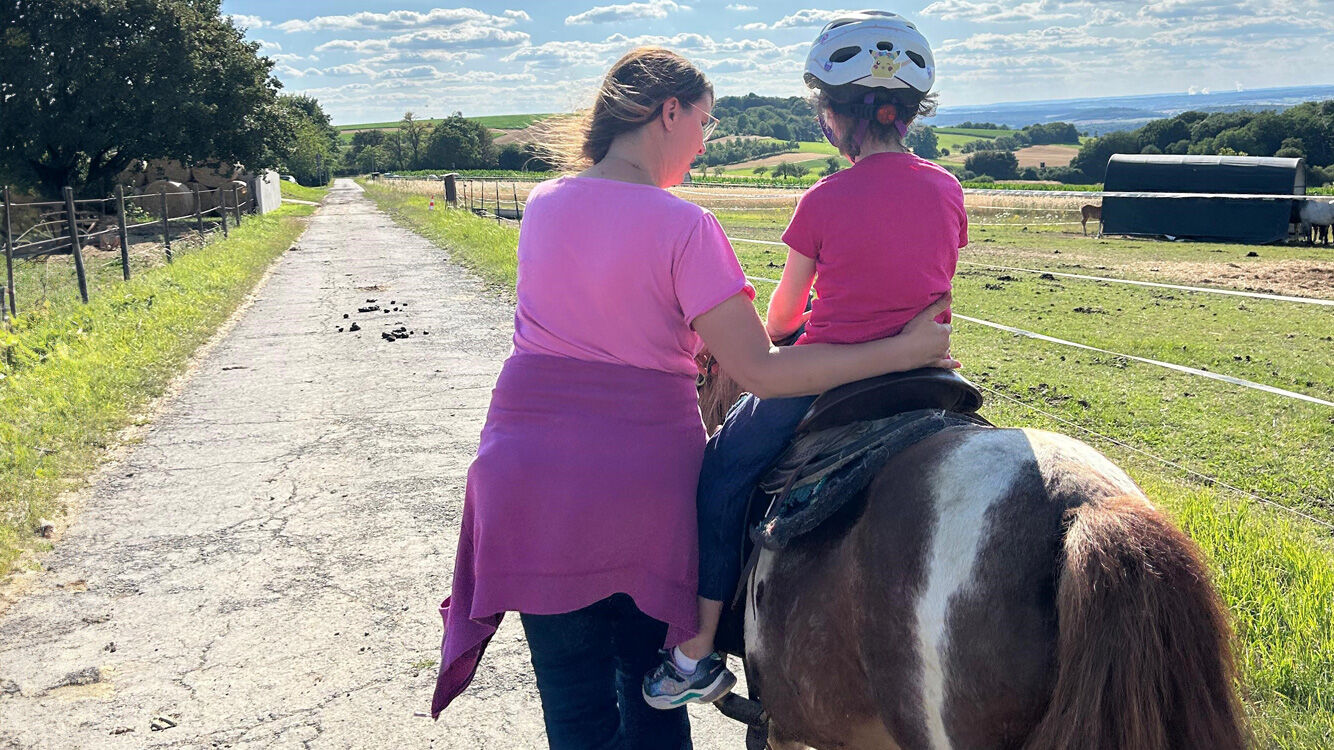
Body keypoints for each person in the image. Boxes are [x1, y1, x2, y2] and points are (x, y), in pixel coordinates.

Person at [430, 47, 955, 750]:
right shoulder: (684, 226)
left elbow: (600, 321)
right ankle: (708, 652)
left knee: (573, 710)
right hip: (638, 492)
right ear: (667, 112)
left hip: (523, 488)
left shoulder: (545, 205)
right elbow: (762, 370)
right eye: (703, 123)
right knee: (648, 709)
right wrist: (905, 353)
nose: (705, 144)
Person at [643, 11, 968, 709]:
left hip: (823, 376)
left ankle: (696, 650)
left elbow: (786, 318)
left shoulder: (822, 198)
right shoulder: (947, 188)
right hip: (929, 376)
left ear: (831, 115)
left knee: (722, 474)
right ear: (908, 113)